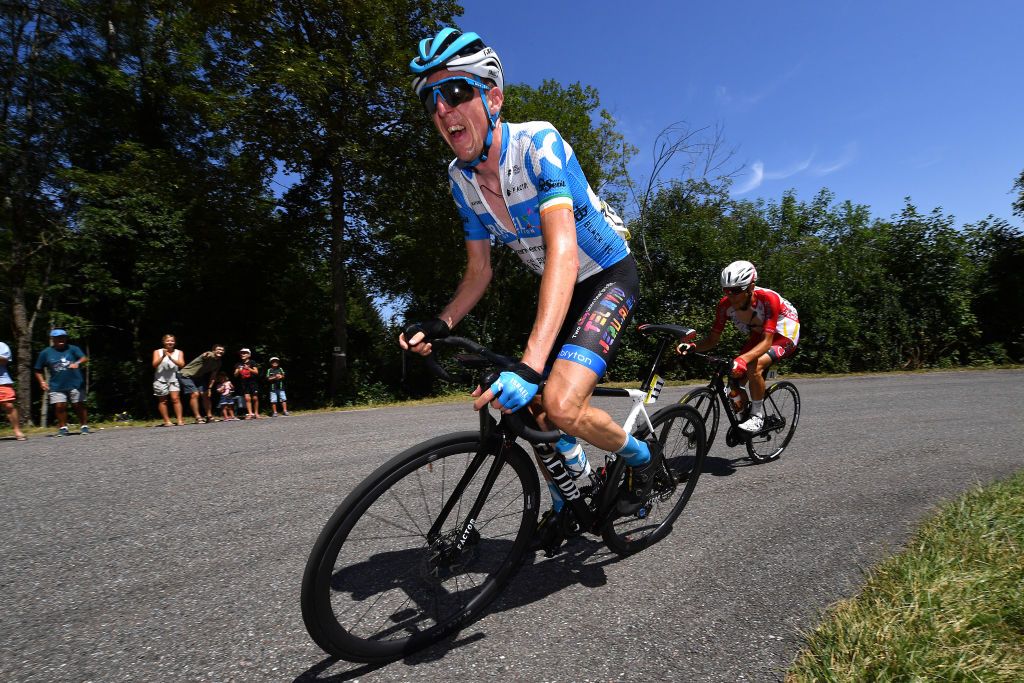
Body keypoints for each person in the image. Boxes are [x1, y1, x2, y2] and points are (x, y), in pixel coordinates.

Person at [400, 29, 654, 518]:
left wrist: (531, 366)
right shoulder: (460, 179)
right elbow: (479, 270)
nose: (443, 110)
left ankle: (641, 457)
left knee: (558, 404)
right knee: (522, 408)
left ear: (492, 97)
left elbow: (562, 251)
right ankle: (573, 493)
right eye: (431, 101)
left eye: (454, 92)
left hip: (604, 275)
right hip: (560, 289)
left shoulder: (539, 143)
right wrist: (441, 322)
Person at [677, 260, 801, 432]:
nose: (730, 296)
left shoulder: (768, 299)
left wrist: (742, 359)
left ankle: (757, 417)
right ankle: (744, 417)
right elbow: (713, 339)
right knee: (733, 380)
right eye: (726, 290)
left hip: (784, 335)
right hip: (759, 333)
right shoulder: (724, 305)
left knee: (753, 365)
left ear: (751, 287)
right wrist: (693, 346)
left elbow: (767, 342)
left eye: (736, 291)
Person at [33, 329, 90, 436]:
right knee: (59, 406)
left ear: (66, 338)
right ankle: (63, 427)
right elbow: (37, 369)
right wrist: (42, 382)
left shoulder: (73, 349)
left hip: (75, 382)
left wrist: (77, 363)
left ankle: (84, 426)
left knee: (78, 404)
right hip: (57, 384)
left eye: (63, 337)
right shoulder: (45, 353)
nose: (61, 339)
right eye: (58, 338)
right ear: (53, 339)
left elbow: (84, 358)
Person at [179, 344, 225, 423]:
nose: (220, 351)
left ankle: (209, 417)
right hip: (186, 375)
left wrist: (210, 388)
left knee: (206, 394)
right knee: (195, 394)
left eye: (222, 350)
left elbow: (213, 376)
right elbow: (205, 355)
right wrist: (205, 355)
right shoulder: (209, 354)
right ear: (213, 350)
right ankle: (198, 418)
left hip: (198, 377)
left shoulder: (218, 362)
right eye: (218, 349)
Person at [152, 334, 186, 427]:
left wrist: (170, 357)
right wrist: (163, 356)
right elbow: (154, 365)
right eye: (168, 341)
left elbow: (182, 364)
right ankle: (167, 421)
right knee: (163, 401)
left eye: (172, 341)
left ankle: (179, 420)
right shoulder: (157, 352)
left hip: (173, 379)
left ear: (174, 342)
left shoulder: (179, 352)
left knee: (176, 399)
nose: (170, 342)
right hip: (160, 379)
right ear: (164, 342)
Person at [1, 341, 27, 441]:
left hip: (2, 381)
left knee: (9, 405)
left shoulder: (1, 345)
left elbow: (4, 360)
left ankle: (17, 431)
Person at [234, 348, 261, 419]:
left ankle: (256, 413)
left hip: (253, 382)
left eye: (245, 353)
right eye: (241, 353)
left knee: (255, 398)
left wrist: (248, 368)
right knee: (247, 399)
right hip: (244, 383)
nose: (243, 354)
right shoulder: (239, 364)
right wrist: (238, 371)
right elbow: (235, 375)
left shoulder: (252, 362)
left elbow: (256, 372)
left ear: (249, 355)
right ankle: (250, 414)